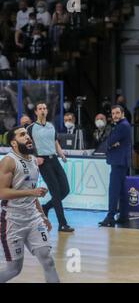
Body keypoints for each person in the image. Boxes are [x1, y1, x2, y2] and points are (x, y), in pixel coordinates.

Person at [0, 126, 60, 283]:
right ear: (14, 143)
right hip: (12, 219)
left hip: (33, 218)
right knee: (14, 270)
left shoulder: (33, 160)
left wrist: (42, 215)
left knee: (48, 260)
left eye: (27, 134)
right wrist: (32, 193)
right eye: (22, 135)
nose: (28, 137)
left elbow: (33, 193)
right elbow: (2, 193)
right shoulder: (8, 161)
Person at [27, 102, 73, 232]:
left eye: (44, 108)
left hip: (54, 160)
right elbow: (26, 146)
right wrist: (34, 158)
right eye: (40, 108)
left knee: (65, 190)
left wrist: (62, 154)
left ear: (47, 111)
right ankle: (62, 224)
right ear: (36, 112)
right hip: (44, 162)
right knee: (56, 192)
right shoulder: (30, 128)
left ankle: (46, 207)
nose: (43, 110)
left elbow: (55, 142)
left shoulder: (51, 126)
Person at [99, 105, 132, 227]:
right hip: (121, 162)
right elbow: (112, 142)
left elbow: (109, 141)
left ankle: (110, 217)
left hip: (118, 162)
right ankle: (123, 215)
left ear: (122, 113)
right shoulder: (122, 125)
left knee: (114, 190)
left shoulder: (122, 126)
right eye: (113, 113)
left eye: (117, 113)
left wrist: (111, 144)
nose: (115, 116)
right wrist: (112, 143)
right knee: (122, 190)